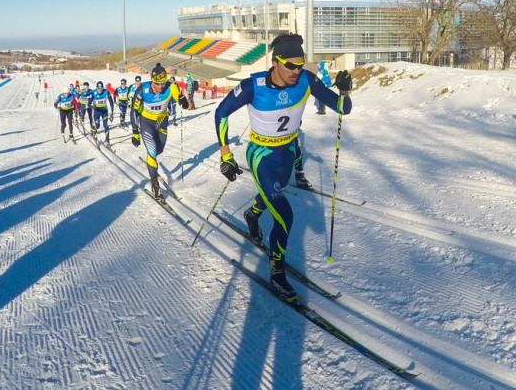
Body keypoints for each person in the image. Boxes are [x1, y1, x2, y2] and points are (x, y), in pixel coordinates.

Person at [213, 33, 353, 302]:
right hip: (262, 155)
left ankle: (252, 215)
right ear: (275, 62)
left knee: (272, 195)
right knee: (284, 215)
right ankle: (277, 272)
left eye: (300, 65)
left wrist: (344, 92)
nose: (296, 71)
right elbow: (221, 112)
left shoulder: (306, 80)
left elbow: (341, 109)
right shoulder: (252, 86)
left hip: (287, 152)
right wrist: (225, 155)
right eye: (290, 65)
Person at [131, 63, 189, 200]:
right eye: (157, 84)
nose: (160, 87)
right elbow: (134, 111)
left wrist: (183, 101)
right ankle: (154, 183)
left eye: (163, 84)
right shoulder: (142, 90)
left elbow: (179, 98)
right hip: (147, 123)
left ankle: (152, 162)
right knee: (152, 152)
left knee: (159, 149)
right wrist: (135, 131)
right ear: (152, 81)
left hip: (162, 122)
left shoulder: (171, 87)